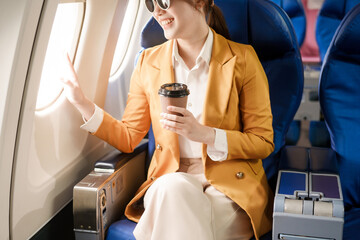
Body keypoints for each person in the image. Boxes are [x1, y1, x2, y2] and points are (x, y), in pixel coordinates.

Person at [61, 0, 274, 239]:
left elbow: (262, 141)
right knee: (173, 189)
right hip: (170, 178)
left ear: (200, 2)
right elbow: (129, 136)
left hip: (229, 187)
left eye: (164, 1)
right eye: (150, 4)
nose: (157, 12)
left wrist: (206, 134)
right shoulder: (147, 63)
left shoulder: (243, 59)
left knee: (176, 213)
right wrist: (82, 103)